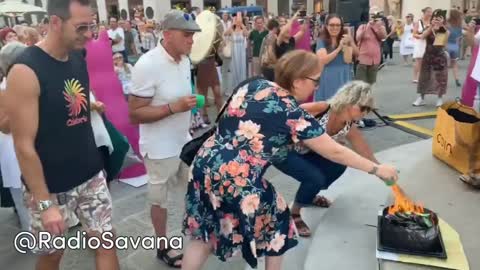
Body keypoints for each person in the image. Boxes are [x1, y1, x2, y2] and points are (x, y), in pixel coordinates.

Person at [181, 50, 398, 270]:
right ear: (297, 81)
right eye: (315, 80)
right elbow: (335, 151)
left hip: (203, 165)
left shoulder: (254, 84)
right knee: (279, 223)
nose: (317, 86)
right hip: (236, 175)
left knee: (203, 234)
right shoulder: (291, 112)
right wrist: (376, 170)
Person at [4, 0, 119, 269]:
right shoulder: (25, 71)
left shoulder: (78, 55)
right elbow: (23, 146)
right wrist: (45, 206)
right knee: (53, 254)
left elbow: (70, 107)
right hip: (49, 187)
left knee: (105, 241)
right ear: (55, 22)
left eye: (92, 25)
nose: (90, 34)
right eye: (81, 27)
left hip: (90, 175)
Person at [128, 10, 201, 268]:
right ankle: (162, 246)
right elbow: (135, 114)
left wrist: (190, 109)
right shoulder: (147, 64)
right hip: (159, 147)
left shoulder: (184, 60)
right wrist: (173, 108)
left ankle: (197, 235)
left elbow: (181, 97)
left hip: (183, 140)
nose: (192, 40)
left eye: (193, 35)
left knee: (193, 190)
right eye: (187, 35)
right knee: (160, 200)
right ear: (167, 34)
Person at [273, 80, 379, 237]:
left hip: (306, 153)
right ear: (349, 101)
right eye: (363, 108)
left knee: (339, 164)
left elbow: (364, 151)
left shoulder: (349, 125)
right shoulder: (322, 109)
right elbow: (287, 114)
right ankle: (294, 213)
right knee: (314, 177)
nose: (365, 113)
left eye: (368, 110)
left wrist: (381, 171)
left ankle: (310, 194)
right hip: (283, 151)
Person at [0, 42, 30, 231]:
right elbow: (5, 127)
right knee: (23, 202)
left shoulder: (32, 81)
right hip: (14, 153)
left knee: (40, 199)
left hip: (35, 154)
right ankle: (36, 238)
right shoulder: (3, 89)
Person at [315, 14, 358, 101]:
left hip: (344, 75)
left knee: (343, 105)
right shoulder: (321, 40)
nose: (335, 27)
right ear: (326, 26)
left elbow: (357, 54)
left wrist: (351, 41)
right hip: (328, 76)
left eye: (338, 25)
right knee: (329, 104)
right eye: (332, 25)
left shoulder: (344, 38)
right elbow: (324, 60)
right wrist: (339, 48)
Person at [414, 9, 449, 107]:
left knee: (440, 78)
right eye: (434, 18)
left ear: (443, 20)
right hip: (428, 56)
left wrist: (441, 27)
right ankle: (421, 97)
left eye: (439, 18)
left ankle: (439, 98)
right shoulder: (429, 28)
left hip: (439, 56)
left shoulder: (445, 30)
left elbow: (442, 42)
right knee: (424, 77)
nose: (436, 20)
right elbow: (422, 36)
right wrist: (431, 27)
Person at [355, 13, 387, 85]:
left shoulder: (380, 27)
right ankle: (361, 96)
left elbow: (384, 37)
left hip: (375, 58)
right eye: (372, 16)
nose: (374, 19)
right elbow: (357, 38)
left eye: (375, 17)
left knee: (371, 82)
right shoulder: (362, 26)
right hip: (363, 58)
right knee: (360, 82)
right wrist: (367, 26)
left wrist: (378, 27)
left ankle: (368, 95)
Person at [224, 13, 249, 89]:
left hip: (241, 52)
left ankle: (242, 85)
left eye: (239, 19)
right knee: (235, 68)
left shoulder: (243, 29)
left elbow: (247, 34)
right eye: (237, 19)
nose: (238, 20)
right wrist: (232, 24)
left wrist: (242, 25)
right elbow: (225, 34)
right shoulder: (232, 30)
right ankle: (235, 86)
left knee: (242, 68)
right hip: (234, 52)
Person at [413, 7, 433, 83]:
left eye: (431, 12)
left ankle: (425, 77)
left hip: (429, 42)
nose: (430, 14)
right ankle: (415, 77)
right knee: (419, 60)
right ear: (424, 12)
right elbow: (414, 34)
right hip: (420, 42)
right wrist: (420, 36)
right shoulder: (419, 22)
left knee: (427, 60)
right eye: (428, 12)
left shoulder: (432, 22)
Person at [447, 9, 464, 87]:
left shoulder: (447, 23)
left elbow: (445, 34)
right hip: (455, 45)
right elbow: (460, 36)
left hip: (447, 45)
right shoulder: (459, 24)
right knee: (454, 64)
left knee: (445, 64)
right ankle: (457, 79)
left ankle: (443, 79)